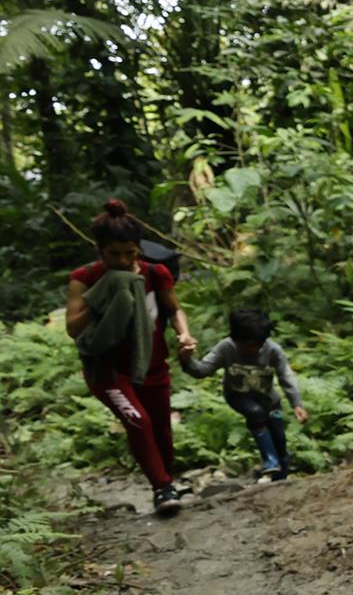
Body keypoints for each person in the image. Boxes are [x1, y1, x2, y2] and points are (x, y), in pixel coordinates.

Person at [65, 199, 197, 515]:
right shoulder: (85, 277)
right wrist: (103, 294)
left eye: (130, 253)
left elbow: (173, 308)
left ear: (139, 248)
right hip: (108, 370)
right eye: (114, 254)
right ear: (100, 250)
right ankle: (162, 487)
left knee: (162, 428)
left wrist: (184, 334)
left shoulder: (156, 273)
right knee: (138, 421)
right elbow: (72, 327)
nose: (123, 260)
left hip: (152, 364)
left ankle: (166, 483)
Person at [178, 308, 309, 483]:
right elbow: (202, 370)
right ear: (236, 339)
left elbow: (286, 376)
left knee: (280, 440)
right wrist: (186, 359)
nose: (254, 350)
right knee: (255, 412)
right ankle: (269, 461)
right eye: (248, 345)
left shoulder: (273, 350)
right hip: (238, 396)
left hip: (269, 401)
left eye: (258, 345)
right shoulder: (226, 348)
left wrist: (296, 404)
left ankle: (280, 477)